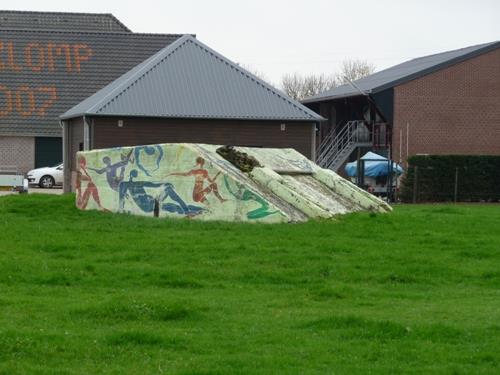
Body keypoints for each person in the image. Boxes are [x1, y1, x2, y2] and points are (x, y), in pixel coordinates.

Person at [118, 169, 203, 216]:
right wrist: (121, 211)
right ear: (131, 175)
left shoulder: (139, 183)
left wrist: (165, 183)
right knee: (169, 189)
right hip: (147, 206)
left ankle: (202, 210)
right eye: (135, 174)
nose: (137, 175)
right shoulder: (124, 184)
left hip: (152, 203)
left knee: (174, 207)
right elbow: (121, 199)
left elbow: (154, 184)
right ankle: (187, 211)